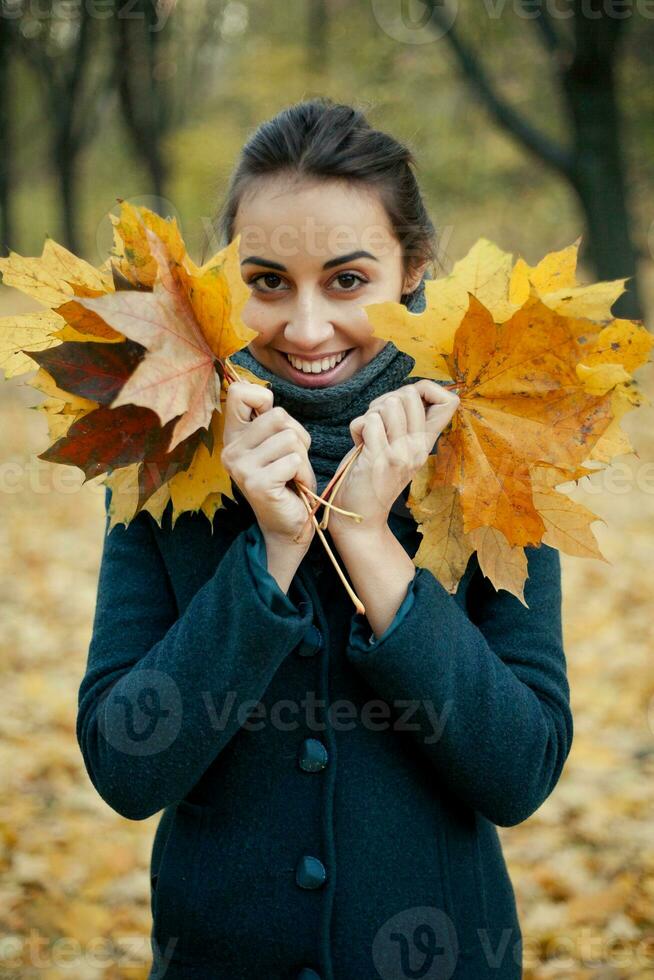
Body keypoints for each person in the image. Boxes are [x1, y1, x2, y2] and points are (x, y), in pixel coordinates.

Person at [76, 98, 574, 980]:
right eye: (268, 281)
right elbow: (125, 766)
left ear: (413, 267)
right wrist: (264, 560)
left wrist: (374, 545)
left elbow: (519, 770)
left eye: (348, 281)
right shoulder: (164, 458)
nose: (306, 329)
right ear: (230, 279)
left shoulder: (493, 454)